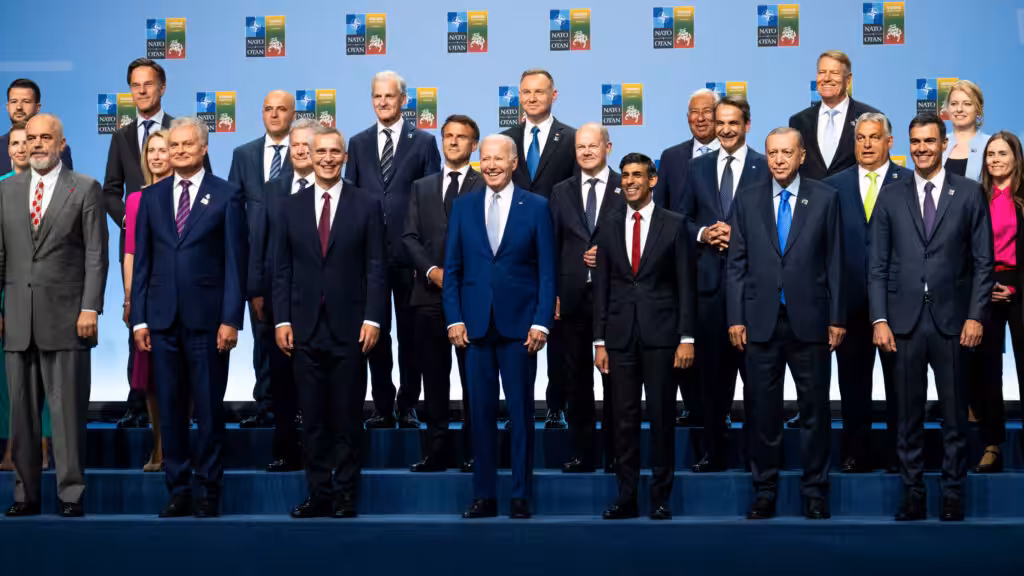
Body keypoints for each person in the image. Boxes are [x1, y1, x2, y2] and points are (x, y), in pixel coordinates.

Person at [869, 113, 993, 522]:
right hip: (902, 324)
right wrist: (879, 319)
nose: (921, 149)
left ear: (943, 144)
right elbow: (877, 265)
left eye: (929, 141)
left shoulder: (970, 193)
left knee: (955, 416)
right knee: (907, 417)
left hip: (954, 323)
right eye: (915, 142)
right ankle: (912, 494)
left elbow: (983, 263)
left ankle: (953, 494)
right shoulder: (890, 196)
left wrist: (976, 316)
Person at [130, 116, 247, 518]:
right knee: (171, 408)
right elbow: (142, 264)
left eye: (187, 145)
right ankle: (178, 488)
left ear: (204, 148)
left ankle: (209, 488)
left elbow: (235, 263)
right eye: (174, 145)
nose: (179, 151)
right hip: (161, 322)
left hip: (209, 324)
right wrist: (140, 320)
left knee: (209, 410)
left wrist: (231, 319)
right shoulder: (151, 197)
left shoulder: (227, 195)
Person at [728, 127, 844, 520]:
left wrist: (837, 317)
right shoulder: (747, 199)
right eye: (773, 153)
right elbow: (736, 264)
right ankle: (764, 490)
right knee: (762, 413)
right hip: (759, 322)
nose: (778, 159)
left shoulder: (826, 197)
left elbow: (835, 262)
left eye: (786, 153)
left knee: (815, 412)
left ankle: (815, 492)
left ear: (801, 156)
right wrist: (735, 317)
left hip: (811, 322)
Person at [1, 114, 109, 517]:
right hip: (18, 320)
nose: (37, 144)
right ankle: (25, 496)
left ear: (62, 144)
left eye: (46, 137)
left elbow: (96, 255)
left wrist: (90, 307)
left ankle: (70, 495)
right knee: (22, 418)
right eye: (31, 138)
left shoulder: (85, 188)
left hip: (68, 320)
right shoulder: (6, 190)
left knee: (66, 416)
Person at [275, 125, 385, 519]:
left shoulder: (366, 204)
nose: (326, 158)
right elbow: (282, 269)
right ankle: (318, 494)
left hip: (351, 328)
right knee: (313, 419)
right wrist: (281, 320)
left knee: (347, 418)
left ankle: (344, 496)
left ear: (345, 157)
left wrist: (374, 318)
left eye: (333, 152)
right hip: (303, 328)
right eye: (319, 151)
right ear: (308, 154)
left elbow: (376, 267)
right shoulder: (289, 207)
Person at [444, 134, 555, 520]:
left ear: (513, 163)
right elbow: (453, 269)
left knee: (522, 415)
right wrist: (454, 318)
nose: (491, 165)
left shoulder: (537, 207)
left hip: (521, 329)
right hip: (474, 329)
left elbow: (547, 272)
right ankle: (484, 496)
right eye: (485, 158)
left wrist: (541, 321)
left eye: (499, 159)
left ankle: (521, 495)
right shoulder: (463, 207)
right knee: (480, 416)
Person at [103, 58, 212, 430]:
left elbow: (206, 184)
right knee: (138, 327)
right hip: (137, 248)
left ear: (162, 87)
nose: (141, 91)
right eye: (135, 85)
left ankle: (187, 412)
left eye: (148, 84)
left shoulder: (183, 131)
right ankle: (137, 405)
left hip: (183, 246)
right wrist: (132, 219)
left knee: (183, 332)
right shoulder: (120, 137)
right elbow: (111, 191)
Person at [594, 153, 695, 520]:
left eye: (637, 175)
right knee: (623, 421)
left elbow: (686, 285)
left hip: (663, 337)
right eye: (625, 175)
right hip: (619, 339)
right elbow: (602, 287)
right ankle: (626, 497)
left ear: (653, 180)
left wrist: (687, 337)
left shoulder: (675, 224)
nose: (630, 181)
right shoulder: (608, 224)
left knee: (663, 419)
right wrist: (599, 342)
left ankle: (661, 498)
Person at [678, 96, 769, 472]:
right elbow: (679, 221)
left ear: (747, 125)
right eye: (720, 123)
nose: (726, 129)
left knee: (758, 382)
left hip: (753, 290)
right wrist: (703, 233)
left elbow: (777, 225)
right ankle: (713, 453)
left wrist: (740, 236)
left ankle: (756, 457)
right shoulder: (696, 167)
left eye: (733, 122)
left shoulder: (766, 166)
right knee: (712, 382)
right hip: (709, 290)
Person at [345, 70, 441, 429]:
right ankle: (382, 407)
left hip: (410, 258)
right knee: (375, 333)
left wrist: (425, 258)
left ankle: (408, 404)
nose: (383, 102)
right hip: (369, 257)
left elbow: (432, 202)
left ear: (404, 99)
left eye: (389, 96)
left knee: (412, 335)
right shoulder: (357, 143)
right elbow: (351, 199)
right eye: (377, 96)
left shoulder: (424, 142)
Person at [822, 113, 912, 473]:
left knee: (900, 386)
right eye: (860, 138)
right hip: (850, 304)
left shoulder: (909, 182)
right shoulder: (832, 187)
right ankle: (855, 452)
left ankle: (899, 455)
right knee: (852, 385)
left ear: (889, 142)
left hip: (898, 303)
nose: (867, 144)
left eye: (874, 137)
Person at [402, 115, 484, 473]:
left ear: (474, 145)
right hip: (427, 296)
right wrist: (432, 271)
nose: (453, 142)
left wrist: (460, 275)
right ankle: (436, 452)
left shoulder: (486, 185)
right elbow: (409, 237)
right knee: (434, 381)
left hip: (471, 297)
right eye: (448, 135)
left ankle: (474, 452)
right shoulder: (421, 186)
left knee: (473, 381)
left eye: (461, 137)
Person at [501, 69, 577, 429]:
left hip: (558, 247)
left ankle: (557, 404)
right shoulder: (505, 140)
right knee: (514, 332)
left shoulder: (572, 139)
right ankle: (520, 409)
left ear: (554, 95)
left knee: (558, 332)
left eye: (539, 92)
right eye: (526, 92)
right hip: (513, 251)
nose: (532, 98)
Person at [550, 123, 623, 474]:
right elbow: (551, 246)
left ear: (608, 147)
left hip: (616, 299)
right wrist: (552, 294)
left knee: (616, 382)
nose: (587, 152)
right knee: (577, 381)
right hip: (572, 299)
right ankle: (582, 453)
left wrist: (607, 254)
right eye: (581, 147)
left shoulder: (627, 186)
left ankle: (615, 453)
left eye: (593, 145)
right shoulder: (560, 191)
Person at [248, 118, 320, 473]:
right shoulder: (273, 188)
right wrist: (256, 291)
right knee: (281, 379)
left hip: (323, 301)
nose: (301, 151)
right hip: (279, 298)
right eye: (295, 146)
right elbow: (259, 241)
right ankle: (286, 450)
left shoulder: (338, 189)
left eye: (307, 145)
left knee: (319, 382)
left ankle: (321, 453)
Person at [229, 90, 296, 430]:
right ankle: (266, 405)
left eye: (281, 109)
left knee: (299, 341)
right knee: (263, 340)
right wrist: (251, 281)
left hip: (300, 264)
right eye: (268, 109)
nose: (274, 115)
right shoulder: (243, 155)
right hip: (258, 265)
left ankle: (298, 408)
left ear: (293, 114)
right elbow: (233, 213)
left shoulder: (306, 151)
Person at [655, 87, 720, 427]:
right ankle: (693, 406)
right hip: (680, 265)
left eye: (708, 111)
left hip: (725, 269)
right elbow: (662, 212)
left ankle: (718, 410)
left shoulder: (739, 157)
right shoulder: (671, 157)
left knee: (717, 347)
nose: (701, 118)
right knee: (683, 339)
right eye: (694, 112)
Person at [966, 132, 1024, 473]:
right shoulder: (975, 196)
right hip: (984, 285)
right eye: (990, 154)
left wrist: (1015, 289)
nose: (995, 160)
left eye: (1002, 153)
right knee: (986, 371)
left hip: (1019, 286)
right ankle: (992, 445)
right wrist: (984, 284)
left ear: (1016, 157)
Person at [0, 121, 53, 472]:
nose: (22, 148)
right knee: (10, 381)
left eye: (28, 141)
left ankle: (45, 446)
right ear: (8, 150)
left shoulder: (55, 185)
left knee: (45, 374)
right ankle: (12, 449)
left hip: (47, 295)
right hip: (9, 293)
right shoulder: (1, 189)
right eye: (16, 143)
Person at [123, 129, 173, 472]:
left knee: (180, 378)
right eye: (150, 150)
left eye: (162, 149)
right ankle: (159, 445)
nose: (156, 156)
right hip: (147, 298)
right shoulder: (135, 200)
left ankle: (175, 444)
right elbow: (131, 254)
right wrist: (130, 299)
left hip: (180, 294)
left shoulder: (185, 195)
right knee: (151, 378)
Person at [789, 51, 881, 181]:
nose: (826, 78)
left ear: (848, 80)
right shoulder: (799, 121)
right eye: (822, 72)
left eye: (834, 73)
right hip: (813, 194)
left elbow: (880, 167)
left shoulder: (871, 118)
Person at [0, 78, 72, 174]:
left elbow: (66, 182)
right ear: (7, 106)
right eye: (14, 101)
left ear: (37, 107)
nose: (19, 107)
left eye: (26, 101)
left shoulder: (57, 148)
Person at [941, 80, 989, 181]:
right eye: (954, 104)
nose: (959, 109)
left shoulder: (990, 144)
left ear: (978, 109)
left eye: (967, 104)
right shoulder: (938, 144)